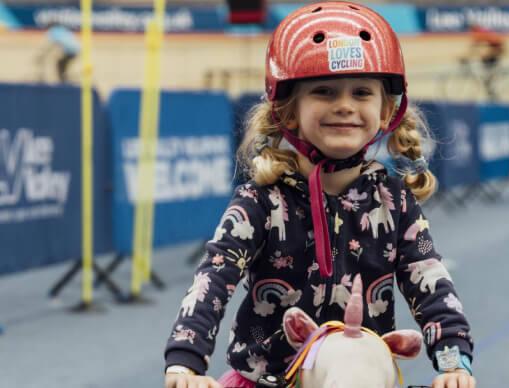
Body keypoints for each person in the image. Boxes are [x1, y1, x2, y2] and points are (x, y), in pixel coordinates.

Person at [164, 2, 476, 388]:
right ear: (289, 112)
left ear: (385, 112)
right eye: (324, 92)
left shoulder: (394, 202)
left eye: (361, 92)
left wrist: (453, 362)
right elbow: (215, 275)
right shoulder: (260, 201)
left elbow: (430, 282)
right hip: (267, 380)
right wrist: (186, 363)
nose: (343, 105)